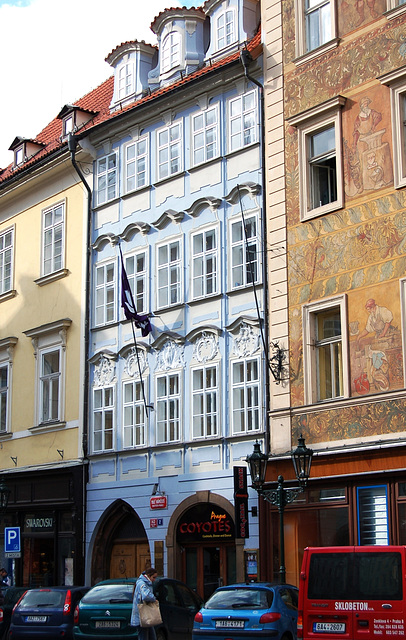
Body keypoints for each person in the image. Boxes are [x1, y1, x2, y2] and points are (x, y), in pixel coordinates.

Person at [130, 567, 159, 640]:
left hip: (146, 617)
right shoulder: (142, 584)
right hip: (142, 616)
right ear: (149, 576)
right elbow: (146, 596)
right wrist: (154, 599)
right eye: (154, 577)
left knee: (151, 637)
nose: (154, 580)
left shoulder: (144, 583)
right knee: (144, 637)